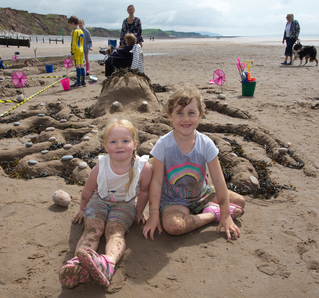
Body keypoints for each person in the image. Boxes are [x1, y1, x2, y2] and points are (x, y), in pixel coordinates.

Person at [142, 85, 246, 242]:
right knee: (173, 227)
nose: (185, 119)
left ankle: (212, 210)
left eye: (191, 113)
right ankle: (212, 215)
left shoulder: (206, 144)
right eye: (179, 113)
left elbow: (218, 180)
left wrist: (226, 216)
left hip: (201, 194)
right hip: (173, 200)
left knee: (240, 202)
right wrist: (154, 214)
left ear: (200, 115)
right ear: (170, 116)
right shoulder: (163, 145)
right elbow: (156, 182)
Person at [58, 119, 152, 288]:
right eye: (113, 141)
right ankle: (78, 263)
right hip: (98, 201)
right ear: (106, 145)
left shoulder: (142, 168)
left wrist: (139, 211)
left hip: (125, 205)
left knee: (114, 231)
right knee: (94, 228)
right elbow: (88, 190)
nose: (119, 145)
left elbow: (145, 191)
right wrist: (81, 209)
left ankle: (107, 263)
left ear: (135, 144)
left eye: (125, 141)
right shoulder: (101, 166)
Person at [68, 15, 85, 87]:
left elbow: (73, 44)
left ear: (72, 23)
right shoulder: (81, 31)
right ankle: (83, 81)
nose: (70, 27)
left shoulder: (74, 32)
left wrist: (72, 53)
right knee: (81, 65)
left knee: (77, 66)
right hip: (81, 49)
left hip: (76, 50)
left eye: (70, 25)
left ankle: (78, 82)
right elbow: (82, 42)